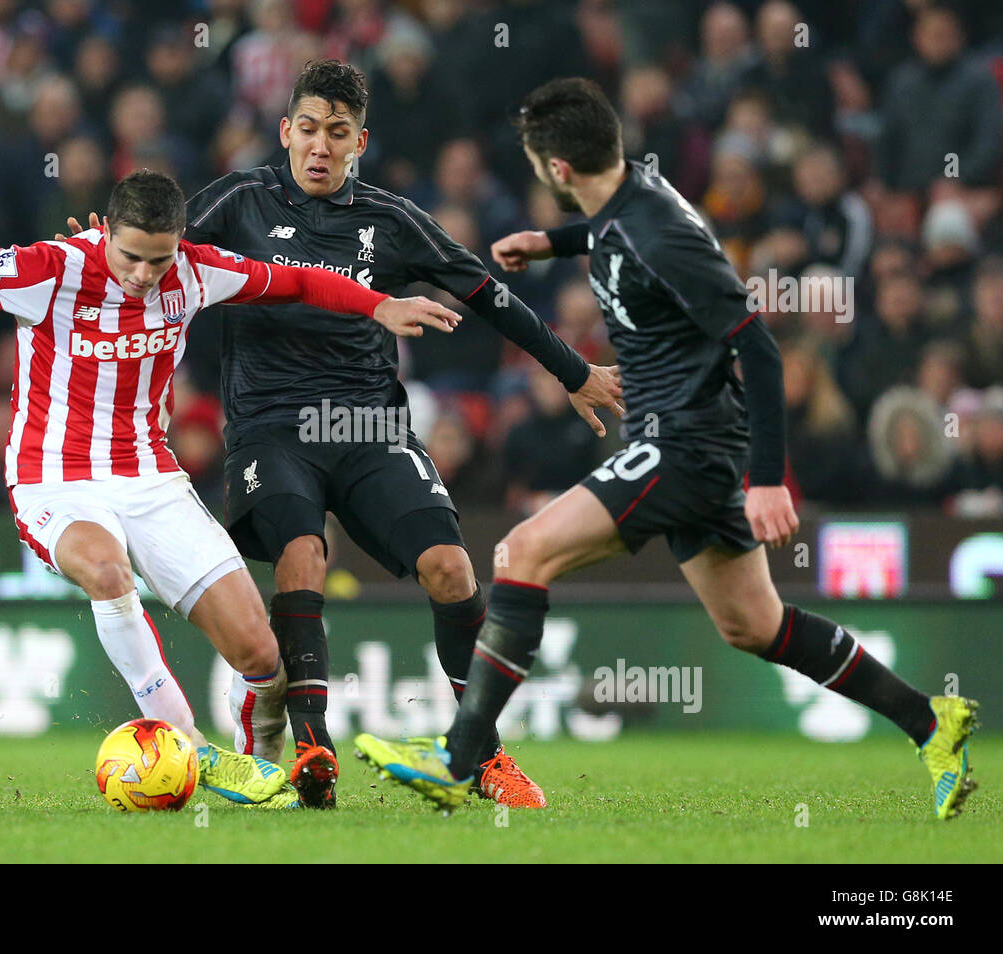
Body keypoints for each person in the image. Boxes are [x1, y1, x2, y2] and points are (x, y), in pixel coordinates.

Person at [354, 78, 979, 822]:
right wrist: (549, 243)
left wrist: (769, 478)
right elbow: (611, 230)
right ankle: (932, 724)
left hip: (681, 442)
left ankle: (460, 758)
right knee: (754, 624)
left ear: (557, 170)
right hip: (689, 442)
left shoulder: (661, 233)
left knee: (522, 555)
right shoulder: (630, 194)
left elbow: (760, 346)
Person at [0, 169, 460, 810]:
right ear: (104, 233)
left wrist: (380, 304)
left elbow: (298, 283)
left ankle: (257, 760)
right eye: (130, 257)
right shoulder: (47, 270)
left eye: (157, 261)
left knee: (262, 657)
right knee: (107, 571)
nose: (143, 276)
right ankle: (187, 744)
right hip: (54, 478)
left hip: (150, 477)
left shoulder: (196, 272)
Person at [65, 60, 622, 809]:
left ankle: (481, 756)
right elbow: (153, 250)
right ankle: (311, 748)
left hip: (370, 427)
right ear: (285, 131)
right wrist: (97, 255)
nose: (320, 146)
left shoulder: (391, 220)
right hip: (269, 428)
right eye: (307, 129)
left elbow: (485, 293)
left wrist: (570, 369)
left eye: (338, 133)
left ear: (360, 140)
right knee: (302, 556)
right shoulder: (241, 200)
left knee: (452, 572)